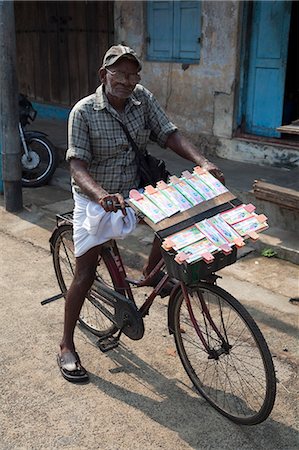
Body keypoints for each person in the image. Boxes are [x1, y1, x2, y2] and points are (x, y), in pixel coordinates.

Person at [57, 44, 225, 383]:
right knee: (85, 273)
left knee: (178, 224)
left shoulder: (142, 98)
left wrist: (202, 162)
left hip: (137, 192)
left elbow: (169, 133)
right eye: (119, 73)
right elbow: (76, 164)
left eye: (133, 73)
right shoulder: (83, 111)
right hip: (96, 200)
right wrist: (101, 195)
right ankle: (66, 345)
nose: (127, 80)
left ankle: (151, 273)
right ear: (104, 76)